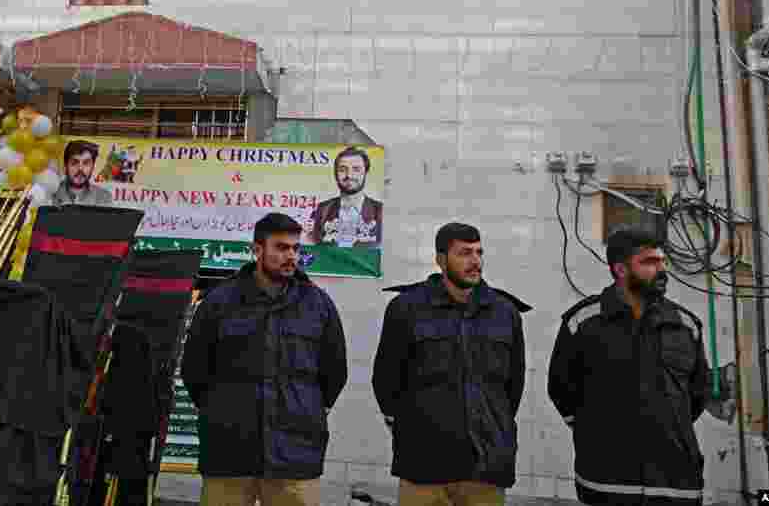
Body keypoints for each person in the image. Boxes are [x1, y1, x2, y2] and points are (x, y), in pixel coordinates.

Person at [181, 212, 348, 506]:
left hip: (295, 453)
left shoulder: (317, 304)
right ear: (257, 250)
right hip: (229, 451)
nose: (291, 256)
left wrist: (303, 407)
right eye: (281, 248)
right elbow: (195, 371)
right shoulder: (219, 302)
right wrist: (222, 412)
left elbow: (334, 373)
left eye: (296, 248)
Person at [547, 227, 710, 506]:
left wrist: (663, 424)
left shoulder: (685, 326)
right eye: (649, 262)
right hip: (607, 482)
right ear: (620, 269)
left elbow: (695, 397)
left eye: (662, 261)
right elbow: (562, 390)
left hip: (676, 484)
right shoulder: (583, 324)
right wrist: (595, 429)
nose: (661, 270)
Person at [372, 222, 526, 506]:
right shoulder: (406, 309)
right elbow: (386, 381)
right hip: (424, 463)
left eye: (479, 253)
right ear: (441, 260)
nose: (475, 261)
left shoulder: (505, 313)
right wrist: (411, 427)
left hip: (486, 465)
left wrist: (491, 422)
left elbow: (512, 387)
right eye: (464, 253)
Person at [306, 146, 383, 248]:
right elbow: (315, 246)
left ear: (366, 173)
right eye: (342, 170)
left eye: (356, 169)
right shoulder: (323, 209)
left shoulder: (380, 210)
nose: (349, 175)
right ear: (335, 174)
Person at [53, 140, 113, 206]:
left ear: (93, 166)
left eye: (86, 163)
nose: (80, 168)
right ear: (65, 165)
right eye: (74, 163)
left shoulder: (104, 197)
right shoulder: (52, 193)